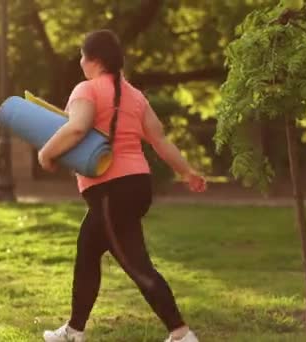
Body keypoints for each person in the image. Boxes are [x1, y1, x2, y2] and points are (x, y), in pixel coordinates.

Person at [38, 30, 207, 342]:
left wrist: (46, 152)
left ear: (94, 60)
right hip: (136, 185)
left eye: (82, 55)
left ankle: (181, 333)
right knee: (88, 252)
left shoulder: (86, 89)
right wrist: (186, 171)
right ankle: (74, 331)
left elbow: (76, 129)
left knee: (136, 263)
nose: (80, 61)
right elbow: (159, 139)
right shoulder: (135, 96)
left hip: (110, 190)